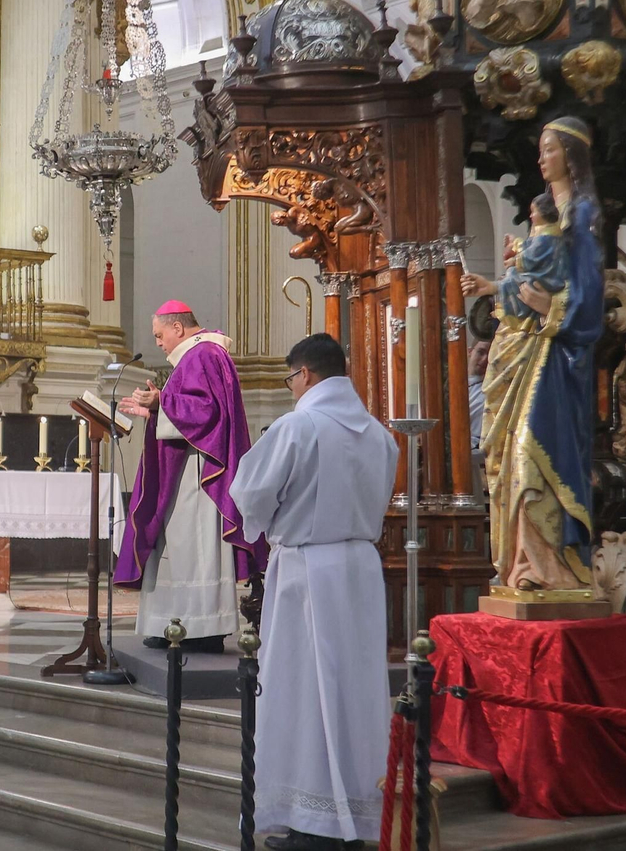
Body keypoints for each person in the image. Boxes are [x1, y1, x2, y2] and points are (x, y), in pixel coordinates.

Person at [229, 335, 399, 851]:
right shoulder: (379, 434)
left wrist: (270, 523)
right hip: (361, 571)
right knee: (355, 693)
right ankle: (357, 810)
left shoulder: (298, 425)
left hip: (306, 570)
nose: (291, 388)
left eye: (290, 379)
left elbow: (249, 492)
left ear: (303, 374)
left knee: (303, 693)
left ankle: (313, 818)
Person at [462, 116, 606, 590]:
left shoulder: (582, 213)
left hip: (557, 360)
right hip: (526, 349)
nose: (543, 158)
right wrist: (501, 288)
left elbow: (588, 290)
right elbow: (523, 289)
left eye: (550, 149)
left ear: (570, 154)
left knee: (532, 451)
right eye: (541, 150)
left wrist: (555, 309)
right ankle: (524, 567)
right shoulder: (545, 217)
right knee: (508, 454)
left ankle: (557, 570)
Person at [115, 300, 267, 654]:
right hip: (188, 467)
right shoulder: (200, 356)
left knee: (194, 548)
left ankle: (203, 628)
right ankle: (174, 624)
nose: (158, 343)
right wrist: (153, 409)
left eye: (159, 335)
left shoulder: (203, 355)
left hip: (200, 473)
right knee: (177, 550)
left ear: (178, 328)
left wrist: (160, 402)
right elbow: (193, 410)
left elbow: (205, 412)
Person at [495, 193, 567, 322]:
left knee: (512, 278)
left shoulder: (547, 235)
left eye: (533, 211)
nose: (530, 215)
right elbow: (530, 246)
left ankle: (516, 312)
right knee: (510, 275)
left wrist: (514, 260)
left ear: (544, 212)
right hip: (546, 273)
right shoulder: (547, 231)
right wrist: (515, 242)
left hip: (547, 276)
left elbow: (531, 256)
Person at [468, 339, 491, 451]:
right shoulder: (451, 384)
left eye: (490, 354)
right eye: (481, 352)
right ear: (470, 352)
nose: (485, 359)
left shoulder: (492, 391)